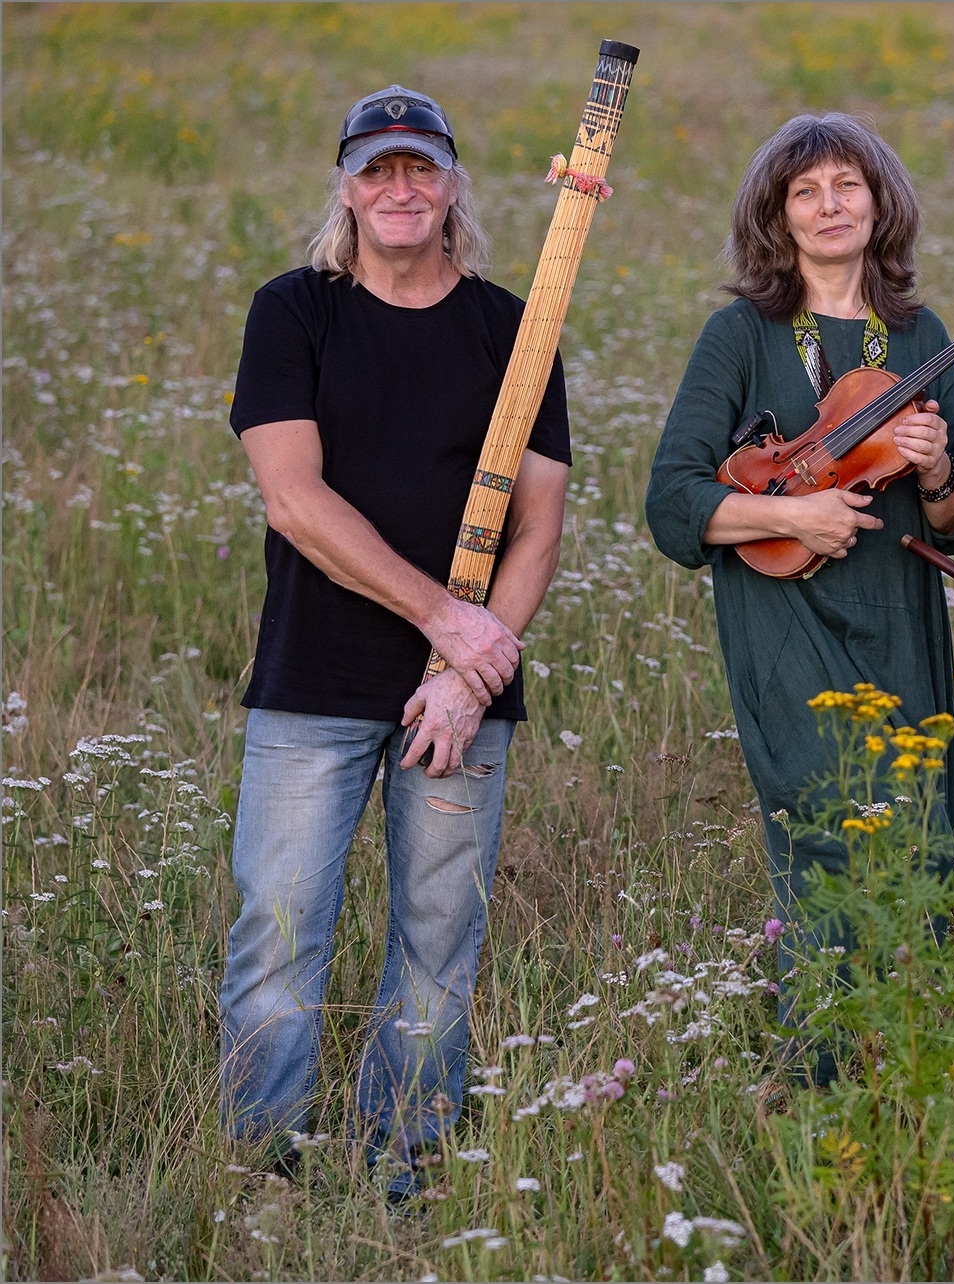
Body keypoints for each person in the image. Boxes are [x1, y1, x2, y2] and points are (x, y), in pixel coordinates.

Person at [219, 85, 570, 1198]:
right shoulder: (294, 311)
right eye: (378, 169)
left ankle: (403, 1165)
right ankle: (263, 1170)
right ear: (349, 187)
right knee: (278, 936)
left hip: (463, 699)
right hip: (313, 682)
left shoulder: (516, 327)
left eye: (421, 167)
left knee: (436, 947)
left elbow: (539, 522)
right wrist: (444, 622)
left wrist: (471, 673)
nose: (401, 188)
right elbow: (294, 501)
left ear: (452, 182)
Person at [645, 114, 954, 1071]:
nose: (830, 206)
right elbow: (674, 504)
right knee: (830, 843)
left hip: (901, 627)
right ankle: (822, 1080)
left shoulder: (917, 338)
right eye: (807, 192)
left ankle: (917, 1076)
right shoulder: (740, 335)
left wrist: (928, 471)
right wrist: (794, 518)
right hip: (783, 627)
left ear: (881, 205)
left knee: (924, 845)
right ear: (777, 216)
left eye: (848, 186)